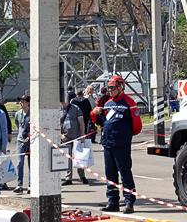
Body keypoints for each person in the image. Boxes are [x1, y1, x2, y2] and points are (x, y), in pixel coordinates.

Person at [93, 74, 141, 213]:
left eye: (112, 87)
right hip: (108, 144)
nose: (110, 90)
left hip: (121, 144)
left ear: (120, 87)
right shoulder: (107, 103)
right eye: (108, 88)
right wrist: (94, 113)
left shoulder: (129, 102)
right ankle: (113, 201)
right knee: (110, 174)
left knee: (125, 173)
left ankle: (129, 202)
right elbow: (101, 122)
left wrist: (125, 136)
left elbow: (137, 126)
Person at [59, 91, 91, 184]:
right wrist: (60, 135)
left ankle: (82, 176)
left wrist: (82, 135)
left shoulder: (76, 108)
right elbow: (55, 125)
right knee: (67, 158)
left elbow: (81, 123)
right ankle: (68, 178)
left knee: (79, 157)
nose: (62, 102)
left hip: (77, 137)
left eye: (64, 100)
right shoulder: (58, 110)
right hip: (65, 138)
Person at [13, 94, 32, 193]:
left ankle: (31, 185)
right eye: (20, 101)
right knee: (20, 163)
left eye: (23, 101)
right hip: (20, 141)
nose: (21, 103)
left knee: (31, 164)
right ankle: (19, 185)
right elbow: (17, 124)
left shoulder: (32, 114)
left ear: (28, 103)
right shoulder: (18, 114)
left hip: (31, 141)